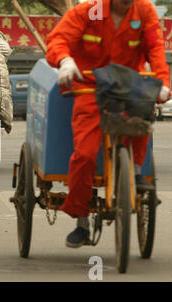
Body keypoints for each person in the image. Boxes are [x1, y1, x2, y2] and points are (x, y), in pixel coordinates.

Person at [46, 0, 170, 248]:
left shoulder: (144, 11)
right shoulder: (86, 11)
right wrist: (64, 61)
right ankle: (81, 220)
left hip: (128, 84)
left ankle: (134, 170)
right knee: (85, 154)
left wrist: (162, 81)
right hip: (89, 87)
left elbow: (155, 49)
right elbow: (58, 40)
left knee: (143, 113)